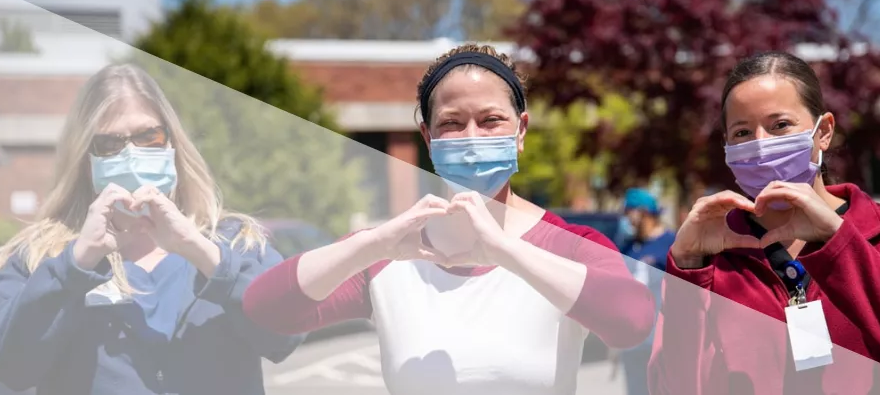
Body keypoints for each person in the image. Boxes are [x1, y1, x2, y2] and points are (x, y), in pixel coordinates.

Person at [242, 43, 656, 395]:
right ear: (428, 137)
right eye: (452, 124)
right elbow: (265, 310)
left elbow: (633, 323)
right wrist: (371, 244)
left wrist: (506, 251)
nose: (473, 138)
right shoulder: (392, 254)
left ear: (521, 130)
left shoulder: (569, 244)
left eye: (492, 120)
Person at [0, 64, 304, 395]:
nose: (131, 154)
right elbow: (7, 368)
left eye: (148, 137)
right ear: (85, 157)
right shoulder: (39, 256)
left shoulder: (236, 241)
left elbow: (284, 337)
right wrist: (77, 263)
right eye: (109, 144)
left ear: (172, 143)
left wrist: (197, 249)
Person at [648, 51, 880, 395]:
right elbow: (671, 387)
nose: (761, 145)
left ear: (823, 131)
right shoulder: (712, 251)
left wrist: (838, 243)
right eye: (741, 133)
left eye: (780, 125)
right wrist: (688, 268)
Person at [608, 188, 673, 394]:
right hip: (633, 342)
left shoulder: (671, 244)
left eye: (629, 211)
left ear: (643, 212)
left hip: (663, 342)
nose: (626, 218)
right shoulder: (627, 247)